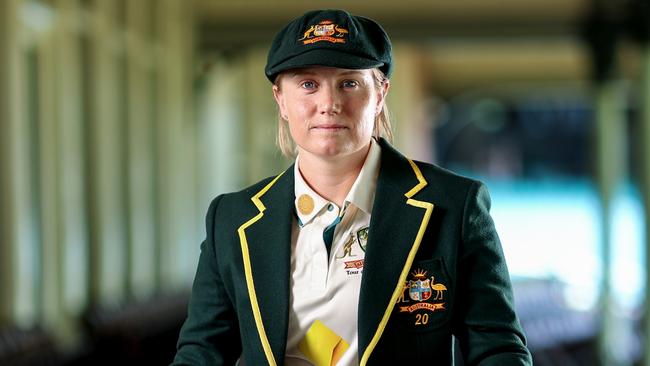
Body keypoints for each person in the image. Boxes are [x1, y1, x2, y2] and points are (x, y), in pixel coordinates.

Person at [172, 9, 532, 366]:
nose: (328, 105)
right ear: (281, 99)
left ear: (379, 94)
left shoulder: (453, 205)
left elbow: (498, 349)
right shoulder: (232, 218)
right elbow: (201, 354)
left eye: (349, 83)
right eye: (308, 84)